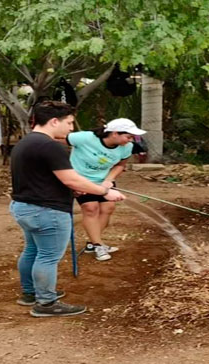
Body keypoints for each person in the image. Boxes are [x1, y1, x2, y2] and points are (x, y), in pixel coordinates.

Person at [9, 101, 126, 317]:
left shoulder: (26, 142)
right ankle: (46, 303)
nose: (71, 128)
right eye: (69, 123)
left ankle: (30, 293)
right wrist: (103, 192)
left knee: (33, 250)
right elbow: (72, 179)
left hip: (24, 206)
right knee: (47, 256)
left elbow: (42, 178)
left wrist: (72, 190)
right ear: (54, 121)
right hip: (47, 211)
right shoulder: (50, 145)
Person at [68, 118, 146, 261]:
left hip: (105, 181)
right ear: (114, 133)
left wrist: (108, 180)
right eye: (128, 136)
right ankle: (98, 245)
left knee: (108, 208)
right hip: (82, 181)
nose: (130, 140)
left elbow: (120, 165)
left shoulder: (127, 147)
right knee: (90, 208)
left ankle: (92, 243)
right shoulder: (85, 138)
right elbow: (56, 140)